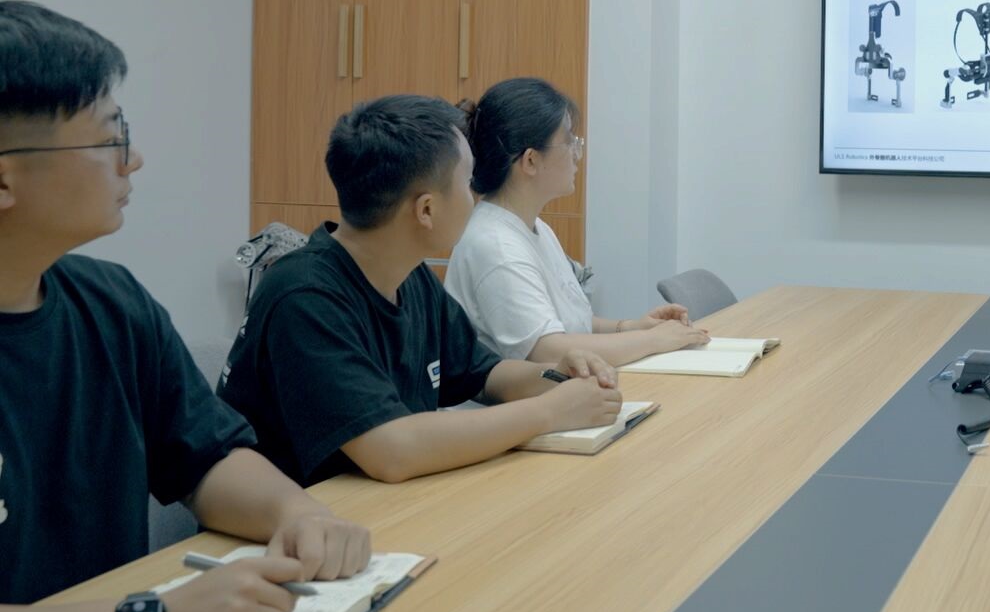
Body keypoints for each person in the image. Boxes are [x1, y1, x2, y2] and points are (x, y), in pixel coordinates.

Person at [0, 2, 371, 612]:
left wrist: (297, 511)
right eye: (109, 138)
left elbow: (207, 457)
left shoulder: (111, 302)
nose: (134, 160)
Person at [218, 95, 624, 487]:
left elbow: (483, 373)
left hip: (381, 502)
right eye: (467, 183)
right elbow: (390, 450)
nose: (475, 199)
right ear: (426, 209)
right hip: (301, 520)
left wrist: (556, 375)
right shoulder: (304, 296)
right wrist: (549, 411)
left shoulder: (410, 276)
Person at [446, 78, 704, 365]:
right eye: (569, 141)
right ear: (530, 161)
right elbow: (548, 349)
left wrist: (632, 327)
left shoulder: (535, 228)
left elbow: (569, 323)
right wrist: (655, 340)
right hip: (522, 393)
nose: (577, 153)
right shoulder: (495, 247)